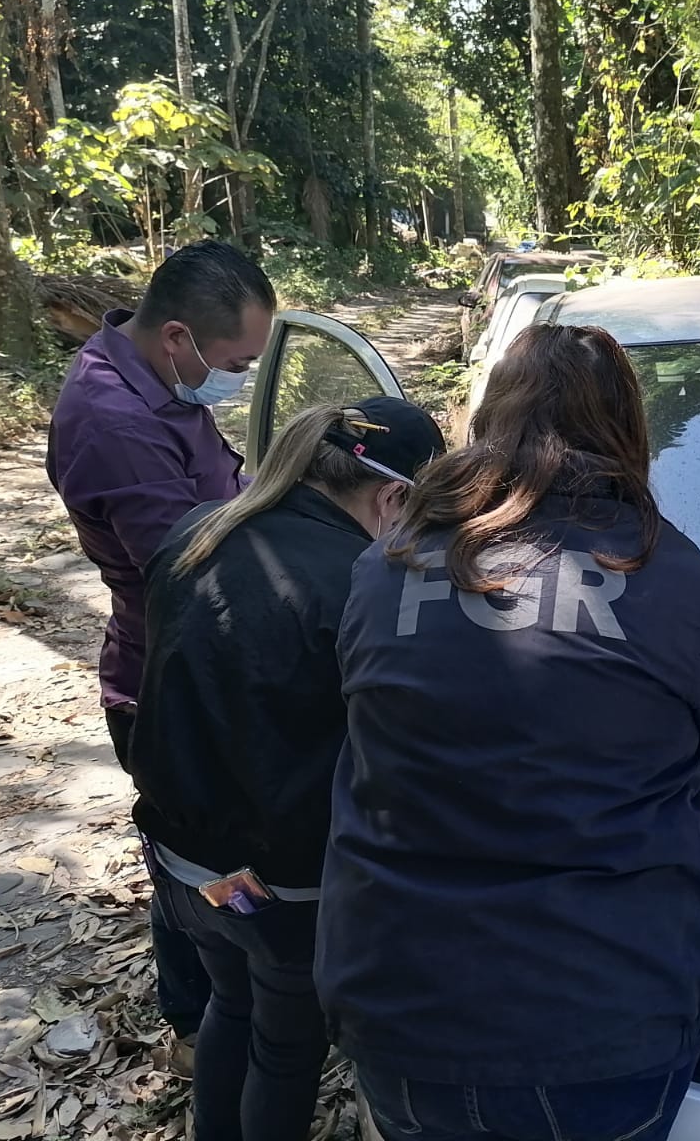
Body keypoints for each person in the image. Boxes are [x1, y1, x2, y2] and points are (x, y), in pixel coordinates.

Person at [318, 324, 700, 1141]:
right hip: (603, 1020)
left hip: (402, 1005)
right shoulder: (662, 570)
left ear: (490, 417)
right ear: (625, 427)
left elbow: (372, 723)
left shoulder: (388, 563)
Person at [126, 397, 446, 1141]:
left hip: (179, 858)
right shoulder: (361, 580)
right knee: (285, 1043)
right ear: (392, 498)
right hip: (282, 882)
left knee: (230, 1004)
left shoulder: (199, 530)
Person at [47, 239, 276, 1041]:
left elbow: (218, 494)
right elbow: (192, 572)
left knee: (207, 846)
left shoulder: (154, 373)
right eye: (237, 363)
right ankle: (200, 1020)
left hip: (190, 661)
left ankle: (217, 997)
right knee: (202, 862)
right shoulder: (114, 421)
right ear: (178, 337)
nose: (240, 377)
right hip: (173, 681)